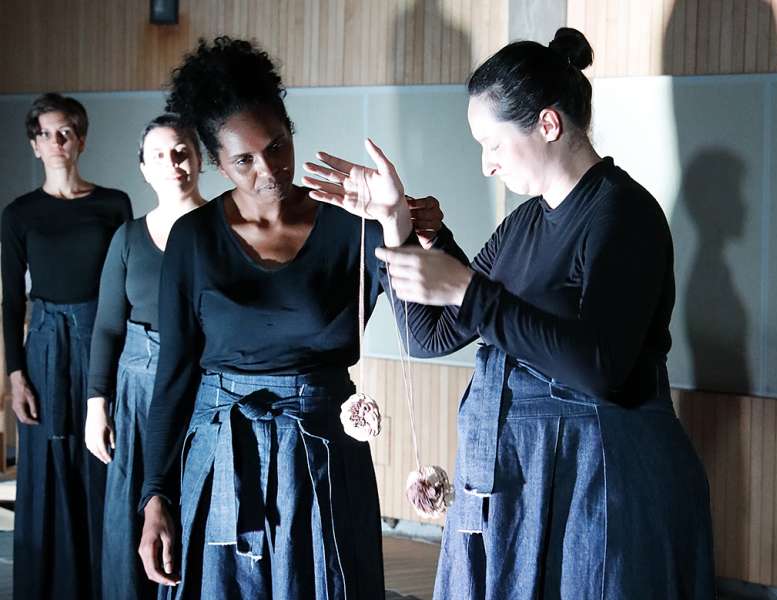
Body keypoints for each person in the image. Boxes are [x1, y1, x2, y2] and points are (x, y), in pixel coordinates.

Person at [308, 28, 716, 599]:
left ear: (548, 125)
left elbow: (602, 367)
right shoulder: (523, 224)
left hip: (601, 482)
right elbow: (432, 334)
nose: (486, 166)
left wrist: (471, 292)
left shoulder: (623, 215)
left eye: (493, 145)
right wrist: (396, 225)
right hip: (520, 478)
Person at [137, 36, 443, 599]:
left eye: (278, 146)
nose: (268, 169)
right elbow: (174, 372)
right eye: (244, 160)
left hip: (322, 451)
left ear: (290, 131)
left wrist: (408, 226)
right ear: (216, 161)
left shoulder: (352, 223)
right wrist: (155, 493)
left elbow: (425, 335)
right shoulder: (194, 239)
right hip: (221, 452)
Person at [1, 92, 132, 600]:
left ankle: (107, 580)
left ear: (80, 139)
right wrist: (16, 377)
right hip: (45, 349)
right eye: (46, 134)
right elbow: (12, 301)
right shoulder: (19, 213)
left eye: (65, 132)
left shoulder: (113, 204)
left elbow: (127, 284)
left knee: (103, 453)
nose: (56, 142)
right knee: (47, 459)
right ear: (34, 145)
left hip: (102, 342)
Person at [84, 114, 205, 600]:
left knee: (192, 514)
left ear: (198, 160)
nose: (172, 163)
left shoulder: (222, 228)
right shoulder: (128, 237)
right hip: (136, 392)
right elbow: (108, 326)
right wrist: (98, 405)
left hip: (202, 389)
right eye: (159, 155)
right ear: (143, 168)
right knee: (129, 520)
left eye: (181, 152)